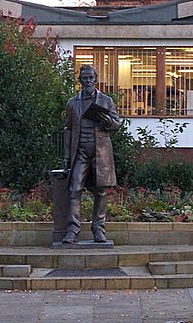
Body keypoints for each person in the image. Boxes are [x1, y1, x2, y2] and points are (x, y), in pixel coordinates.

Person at [62, 65, 121, 244]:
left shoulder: (106, 100)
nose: (88, 81)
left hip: (100, 152)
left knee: (101, 191)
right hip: (80, 152)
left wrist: (108, 121)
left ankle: (99, 230)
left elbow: (118, 125)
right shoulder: (73, 103)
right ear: (80, 81)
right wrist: (66, 157)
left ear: (96, 80)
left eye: (91, 78)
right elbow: (68, 130)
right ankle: (72, 230)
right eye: (84, 78)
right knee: (74, 190)